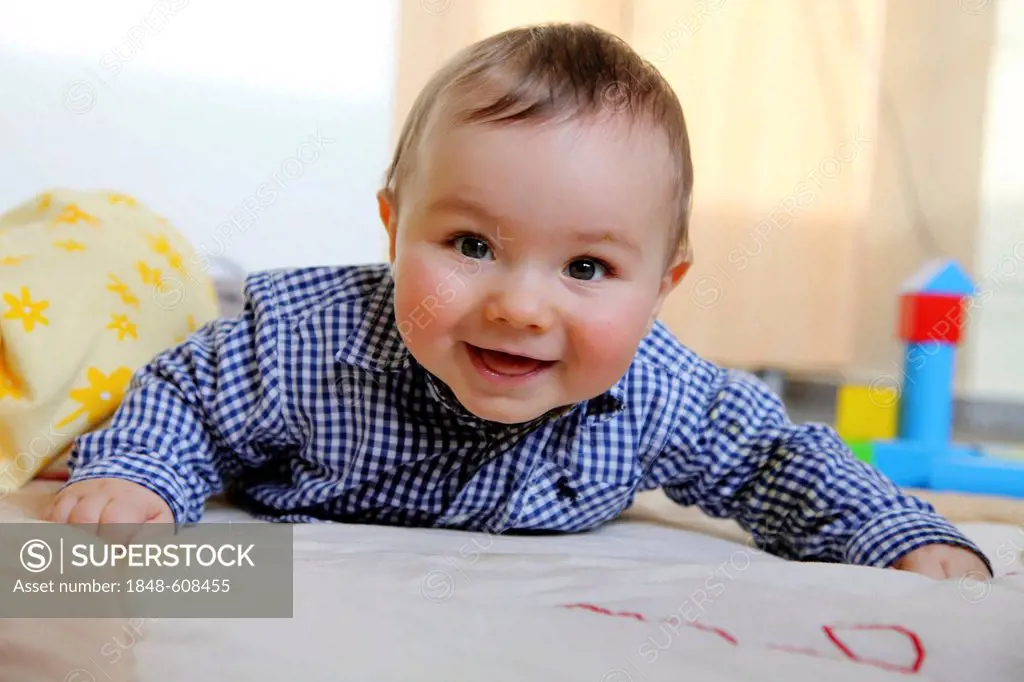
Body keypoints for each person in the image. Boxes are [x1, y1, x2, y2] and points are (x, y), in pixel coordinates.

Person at [46, 22, 991, 580]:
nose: (519, 307)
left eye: (586, 269)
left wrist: (892, 533)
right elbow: (187, 392)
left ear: (665, 286)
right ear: (392, 225)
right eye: (470, 246)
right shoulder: (306, 343)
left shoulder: (660, 396)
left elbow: (775, 458)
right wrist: (140, 474)